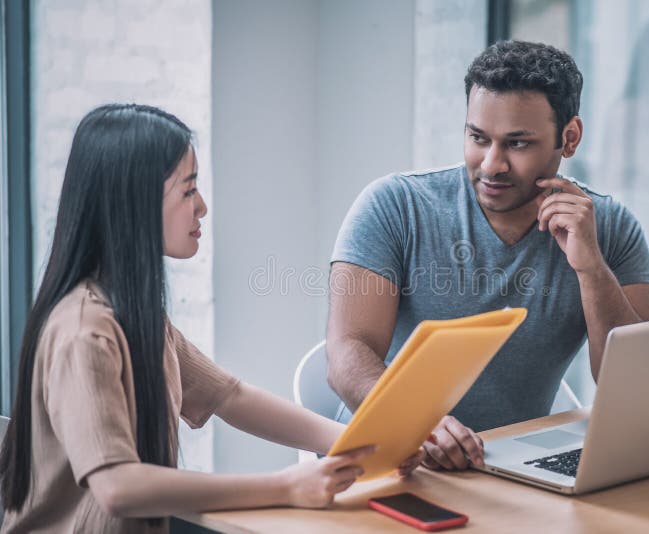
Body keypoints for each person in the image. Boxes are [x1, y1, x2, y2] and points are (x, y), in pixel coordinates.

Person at [0, 104, 420, 533]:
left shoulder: (134, 315)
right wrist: (284, 486)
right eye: (187, 190)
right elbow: (117, 486)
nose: (201, 207)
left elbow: (229, 396)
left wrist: (362, 445)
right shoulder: (83, 332)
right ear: (134, 204)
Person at [326, 41, 649, 473]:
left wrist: (591, 267)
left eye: (517, 144)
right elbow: (347, 352)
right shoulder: (395, 205)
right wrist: (414, 425)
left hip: (513, 469)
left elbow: (637, 388)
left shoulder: (610, 228)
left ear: (569, 137)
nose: (491, 165)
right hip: (390, 461)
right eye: (477, 138)